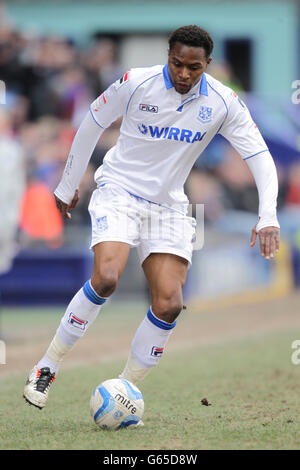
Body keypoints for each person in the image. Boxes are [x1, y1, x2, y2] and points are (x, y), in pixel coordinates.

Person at [23, 25, 280, 414]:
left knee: (169, 303)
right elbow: (93, 121)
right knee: (107, 278)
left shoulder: (225, 102)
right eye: (177, 64)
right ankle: (47, 366)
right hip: (119, 192)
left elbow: (260, 156)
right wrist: (68, 183)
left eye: (193, 68)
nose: (183, 74)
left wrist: (268, 216)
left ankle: (123, 391)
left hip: (171, 207)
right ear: (168, 56)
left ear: (206, 65)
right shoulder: (135, 83)